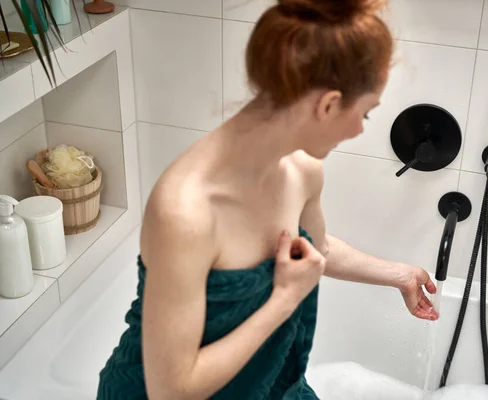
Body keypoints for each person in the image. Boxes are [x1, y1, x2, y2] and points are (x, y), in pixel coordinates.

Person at [97, 0, 439, 399]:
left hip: (271, 384)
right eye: (365, 115)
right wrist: (284, 298)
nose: (360, 131)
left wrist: (399, 274)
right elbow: (171, 391)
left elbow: (315, 249)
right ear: (328, 105)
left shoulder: (302, 171)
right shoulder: (186, 209)